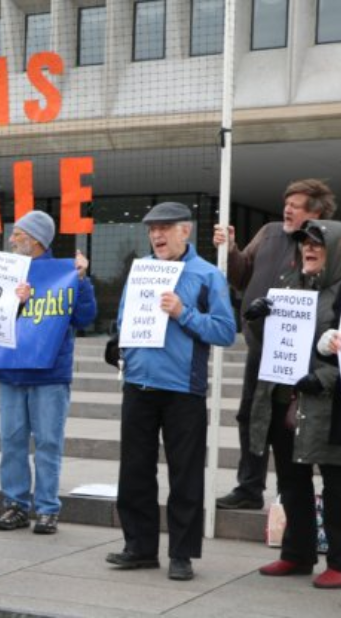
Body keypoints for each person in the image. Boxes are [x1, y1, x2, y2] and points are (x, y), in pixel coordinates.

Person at [106, 202, 235, 582]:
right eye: (151, 229)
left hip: (183, 390)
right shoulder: (140, 271)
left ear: (186, 232)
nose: (157, 235)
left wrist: (184, 313)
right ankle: (140, 548)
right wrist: (119, 345)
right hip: (138, 385)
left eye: (165, 228)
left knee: (185, 476)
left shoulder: (208, 275)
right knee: (134, 472)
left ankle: (181, 554)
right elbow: (124, 318)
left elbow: (225, 331)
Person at [215, 179, 337, 511]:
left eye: (296, 205)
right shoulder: (269, 233)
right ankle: (249, 487)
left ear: (315, 212)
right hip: (260, 348)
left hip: (301, 354)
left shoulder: (323, 243)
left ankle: (290, 493)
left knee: (288, 423)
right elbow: (241, 276)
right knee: (248, 416)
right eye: (287, 203)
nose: (287, 209)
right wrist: (230, 250)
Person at [248, 220, 341, 587]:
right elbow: (271, 343)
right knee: (292, 483)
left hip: (329, 408)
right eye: (305, 243)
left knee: (336, 487)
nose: (309, 248)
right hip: (285, 401)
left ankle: (339, 560)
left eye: (318, 243)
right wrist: (258, 319)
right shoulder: (288, 287)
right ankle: (297, 554)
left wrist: (321, 378)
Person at [0, 211, 97, 535]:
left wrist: (81, 281)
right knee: (12, 442)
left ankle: (48, 508)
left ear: (36, 240)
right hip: (12, 371)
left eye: (18, 234)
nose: (12, 239)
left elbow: (84, 318)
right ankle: (16, 505)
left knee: (48, 442)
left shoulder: (65, 273)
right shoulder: (6, 272)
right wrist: (16, 303)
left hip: (50, 373)